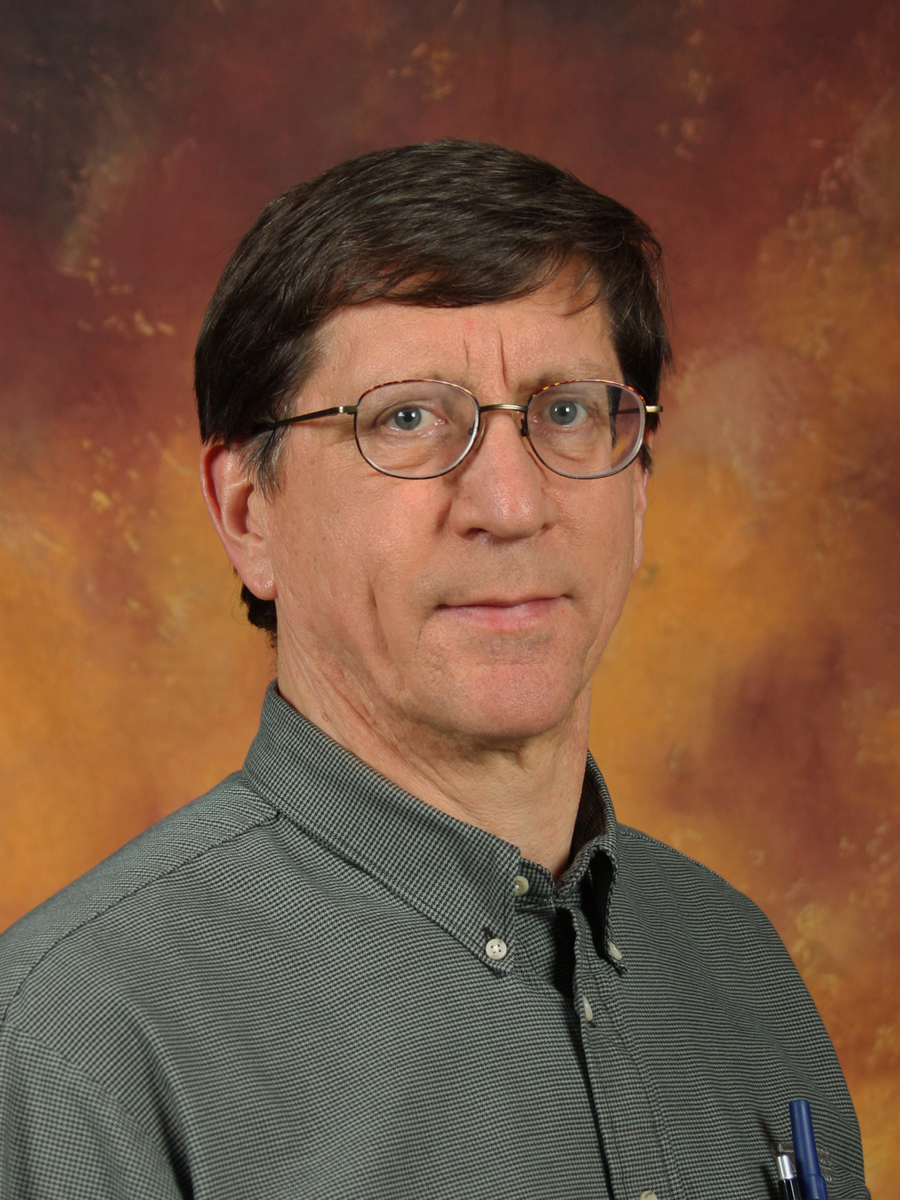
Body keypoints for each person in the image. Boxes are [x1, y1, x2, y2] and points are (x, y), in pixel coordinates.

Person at [0, 141, 868, 1200]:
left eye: (566, 411)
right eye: (407, 419)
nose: (510, 505)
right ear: (248, 514)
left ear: (638, 487)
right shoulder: (75, 1043)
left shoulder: (741, 970)